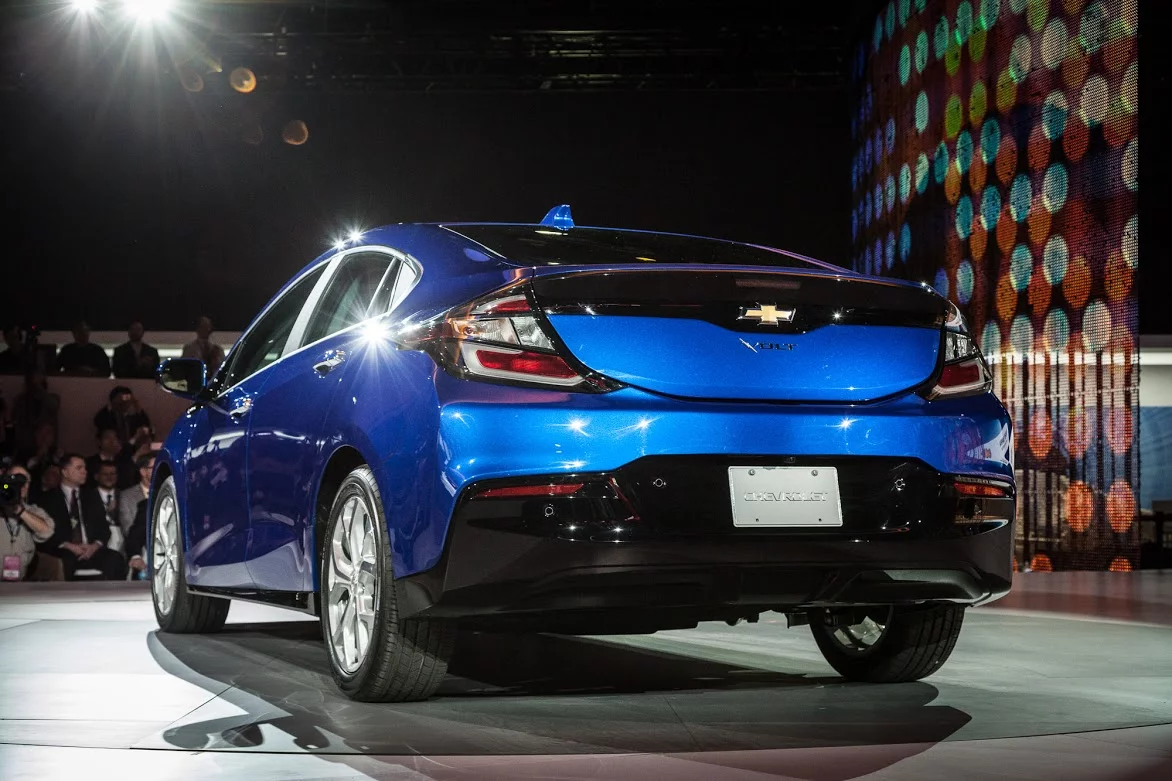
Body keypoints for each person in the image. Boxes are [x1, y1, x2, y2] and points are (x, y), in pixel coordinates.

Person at [38, 454, 127, 580]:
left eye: (84, 468)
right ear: (65, 472)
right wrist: (69, 545)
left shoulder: (91, 495)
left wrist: (94, 546)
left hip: (91, 549)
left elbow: (104, 528)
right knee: (64, 561)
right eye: (79, 468)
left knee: (115, 559)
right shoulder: (48, 499)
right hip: (64, 549)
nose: (84, 471)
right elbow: (44, 531)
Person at [1, 465, 63, 582]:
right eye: (15, 481)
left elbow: (46, 531)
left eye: (25, 482)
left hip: (21, 577)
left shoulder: (33, 511)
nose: (21, 486)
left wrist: (20, 511)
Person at [11, 369, 60, 457]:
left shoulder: (53, 398)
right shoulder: (21, 399)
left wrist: (38, 386)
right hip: (25, 445)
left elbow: (53, 405)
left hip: (48, 447)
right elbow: (14, 418)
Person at [122, 453, 155, 579]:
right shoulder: (147, 504)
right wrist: (136, 555)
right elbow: (135, 530)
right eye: (155, 466)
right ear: (143, 471)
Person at [118, 452, 153, 541]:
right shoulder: (127, 496)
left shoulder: (168, 492)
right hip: (141, 546)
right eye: (154, 467)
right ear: (143, 472)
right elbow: (128, 529)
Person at [93, 461, 123, 553]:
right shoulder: (88, 496)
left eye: (112, 474)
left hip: (122, 538)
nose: (109, 477)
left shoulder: (124, 495)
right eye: (105, 474)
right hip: (98, 539)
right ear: (97, 476)